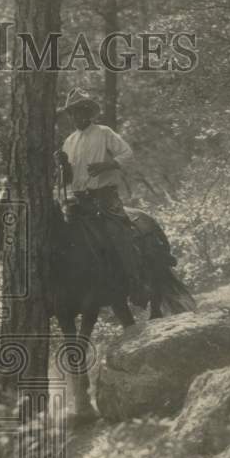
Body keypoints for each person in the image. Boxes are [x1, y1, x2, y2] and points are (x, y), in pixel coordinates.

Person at [55, 88, 146, 304]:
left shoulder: (104, 133)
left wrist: (108, 164)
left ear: (88, 112)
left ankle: (137, 283)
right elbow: (68, 178)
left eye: (80, 112)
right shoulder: (68, 141)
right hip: (79, 200)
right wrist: (62, 166)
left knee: (118, 234)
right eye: (72, 113)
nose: (76, 117)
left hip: (105, 197)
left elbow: (128, 155)